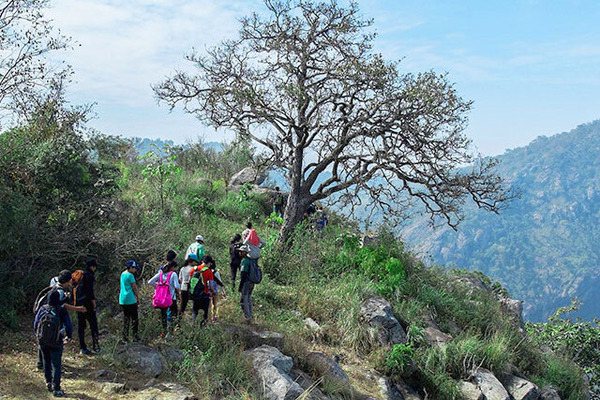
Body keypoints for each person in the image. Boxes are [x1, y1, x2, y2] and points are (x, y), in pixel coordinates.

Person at [34, 277, 74, 397]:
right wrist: (68, 337)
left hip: (43, 340)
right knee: (56, 364)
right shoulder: (60, 310)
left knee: (46, 361)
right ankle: (57, 389)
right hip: (56, 340)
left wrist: (38, 335)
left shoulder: (42, 309)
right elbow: (69, 326)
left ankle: (48, 382)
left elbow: (36, 323)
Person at [148, 260, 181, 338]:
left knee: (163, 316)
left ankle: (163, 331)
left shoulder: (160, 274)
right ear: (172, 267)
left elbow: (150, 282)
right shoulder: (173, 274)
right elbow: (177, 286)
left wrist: (158, 286)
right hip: (171, 298)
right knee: (172, 316)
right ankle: (170, 333)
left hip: (161, 299)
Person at [75, 257, 100, 355]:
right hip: (87, 304)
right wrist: (93, 303)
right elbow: (90, 291)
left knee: (81, 326)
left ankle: (82, 347)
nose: (95, 269)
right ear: (92, 266)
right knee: (93, 324)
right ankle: (96, 346)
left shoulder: (80, 275)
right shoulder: (89, 276)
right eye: (94, 267)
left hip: (78, 303)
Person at [189, 256, 215, 325]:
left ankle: (193, 324)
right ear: (209, 263)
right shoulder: (209, 272)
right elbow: (211, 285)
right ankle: (203, 326)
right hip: (204, 293)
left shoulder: (194, 269)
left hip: (195, 294)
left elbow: (189, 280)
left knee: (195, 310)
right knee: (205, 312)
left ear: (202, 261)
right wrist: (213, 292)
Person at [119, 260, 141, 343]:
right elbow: (134, 287)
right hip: (130, 299)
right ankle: (135, 337)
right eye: (134, 268)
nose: (135, 270)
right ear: (131, 267)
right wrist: (137, 297)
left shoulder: (122, 274)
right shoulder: (130, 275)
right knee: (135, 318)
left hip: (123, 299)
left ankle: (125, 337)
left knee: (126, 318)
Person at [237, 245, 254, 324]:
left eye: (241, 251)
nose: (240, 253)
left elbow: (243, 273)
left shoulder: (244, 261)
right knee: (249, 298)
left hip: (246, 282)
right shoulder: (251, 260)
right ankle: (251, 315)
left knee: (244, 299)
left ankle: (247, 317)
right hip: (251, 282)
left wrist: (240, 286)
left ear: (245, 252)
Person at [208, 258, 227, 322]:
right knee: (214, 304)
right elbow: (220, 282)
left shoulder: (205, 271)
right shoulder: (216, 273)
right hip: (215, 290)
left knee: (209, 304)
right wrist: (224, 292)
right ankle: (214, 317)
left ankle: (209, 316)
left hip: (207, 289)